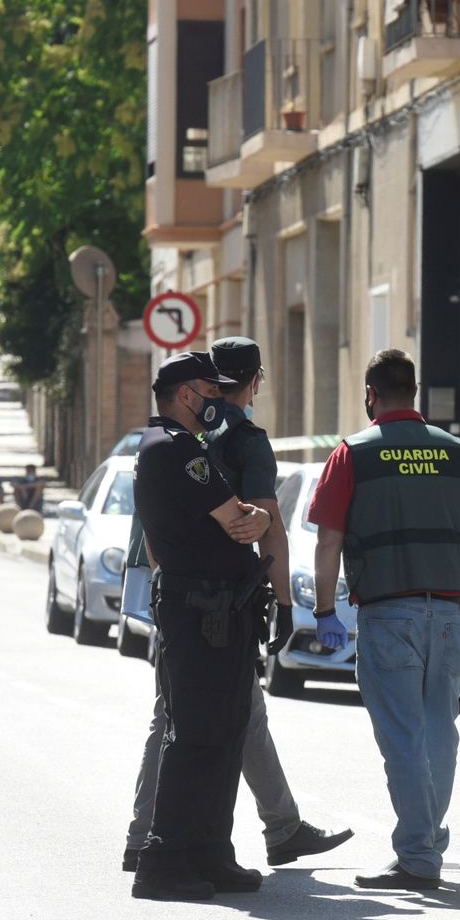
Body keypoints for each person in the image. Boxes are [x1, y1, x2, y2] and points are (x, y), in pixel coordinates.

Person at [121, 338, 352, 877]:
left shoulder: (168, 439)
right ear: (255, 380)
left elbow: (155, 532)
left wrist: (164, 586)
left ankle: (172, 838)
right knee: (215, 722)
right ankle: (178, 844)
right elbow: (261, 524)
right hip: (217, 606)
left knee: (186, 716)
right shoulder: (233, 441)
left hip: (177, 595)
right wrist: (286, 603)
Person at [308, 349, 460, 890]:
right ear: (413, 392)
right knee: (440, 727)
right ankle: (428, 839)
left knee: (402, 737)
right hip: (454, 614)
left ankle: (418, 856)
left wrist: (324, 610)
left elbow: (328, 541)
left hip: (390, 611)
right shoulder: (458, 453)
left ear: (371, 395)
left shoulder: (353, 453)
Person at [129, 351, 275, 901]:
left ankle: (209, 852)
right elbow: (238, 520)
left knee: (224, 733)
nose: (218, 399)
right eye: (210, 391)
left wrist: (252, 517)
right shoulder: (178, 448)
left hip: (216, 609)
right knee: (194, 735)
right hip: (200, 610)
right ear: (187, 395)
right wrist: (262, 516)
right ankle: (163, 861)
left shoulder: (169, 445)